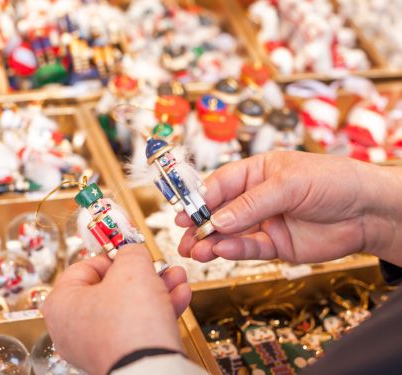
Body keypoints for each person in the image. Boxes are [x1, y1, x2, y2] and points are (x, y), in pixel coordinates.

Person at [42, 151, 402, 375]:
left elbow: (182, 183)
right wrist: (379, 211)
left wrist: (137, 358)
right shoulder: (95, 218)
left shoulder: (169, 172)